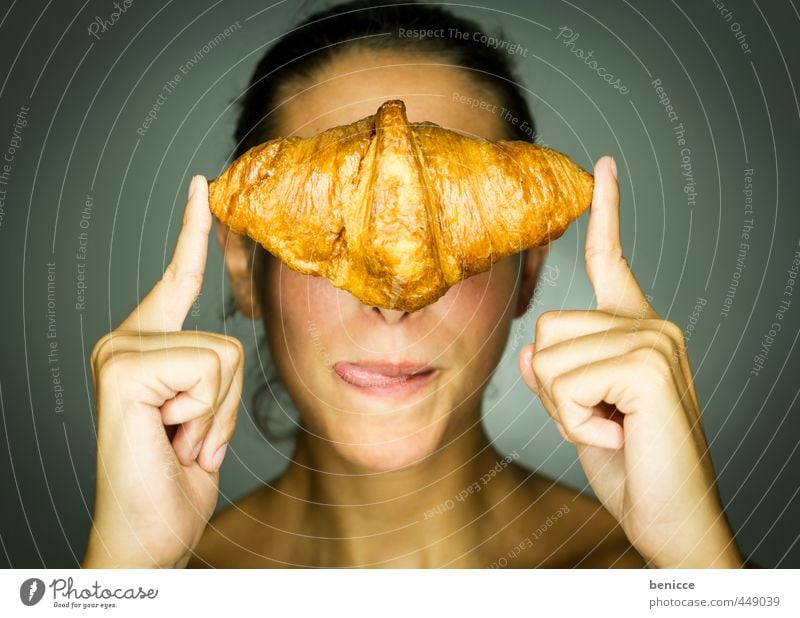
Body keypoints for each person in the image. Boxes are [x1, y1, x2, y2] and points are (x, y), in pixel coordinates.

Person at [82, 0, 746, 568]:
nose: (393, 295)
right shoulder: (147, 582)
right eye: (333, 224)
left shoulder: (663, 579)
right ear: (242, 268)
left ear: (529, 269)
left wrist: (699, 564)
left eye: (451, 226)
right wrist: (121, 576)